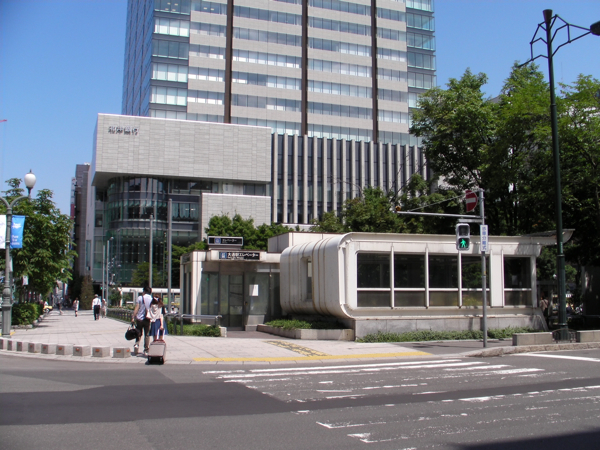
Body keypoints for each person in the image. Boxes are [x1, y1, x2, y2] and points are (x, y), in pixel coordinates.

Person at [131, 286, 152, 355]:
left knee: (138, 332)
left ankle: (137, 345)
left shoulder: (140, 298)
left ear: (144, 291)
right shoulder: (151, 299)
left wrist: (133, 317)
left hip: (139, 319)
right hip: (147, 319)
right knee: (147, 334)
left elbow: (137, 308)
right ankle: (146, 349)